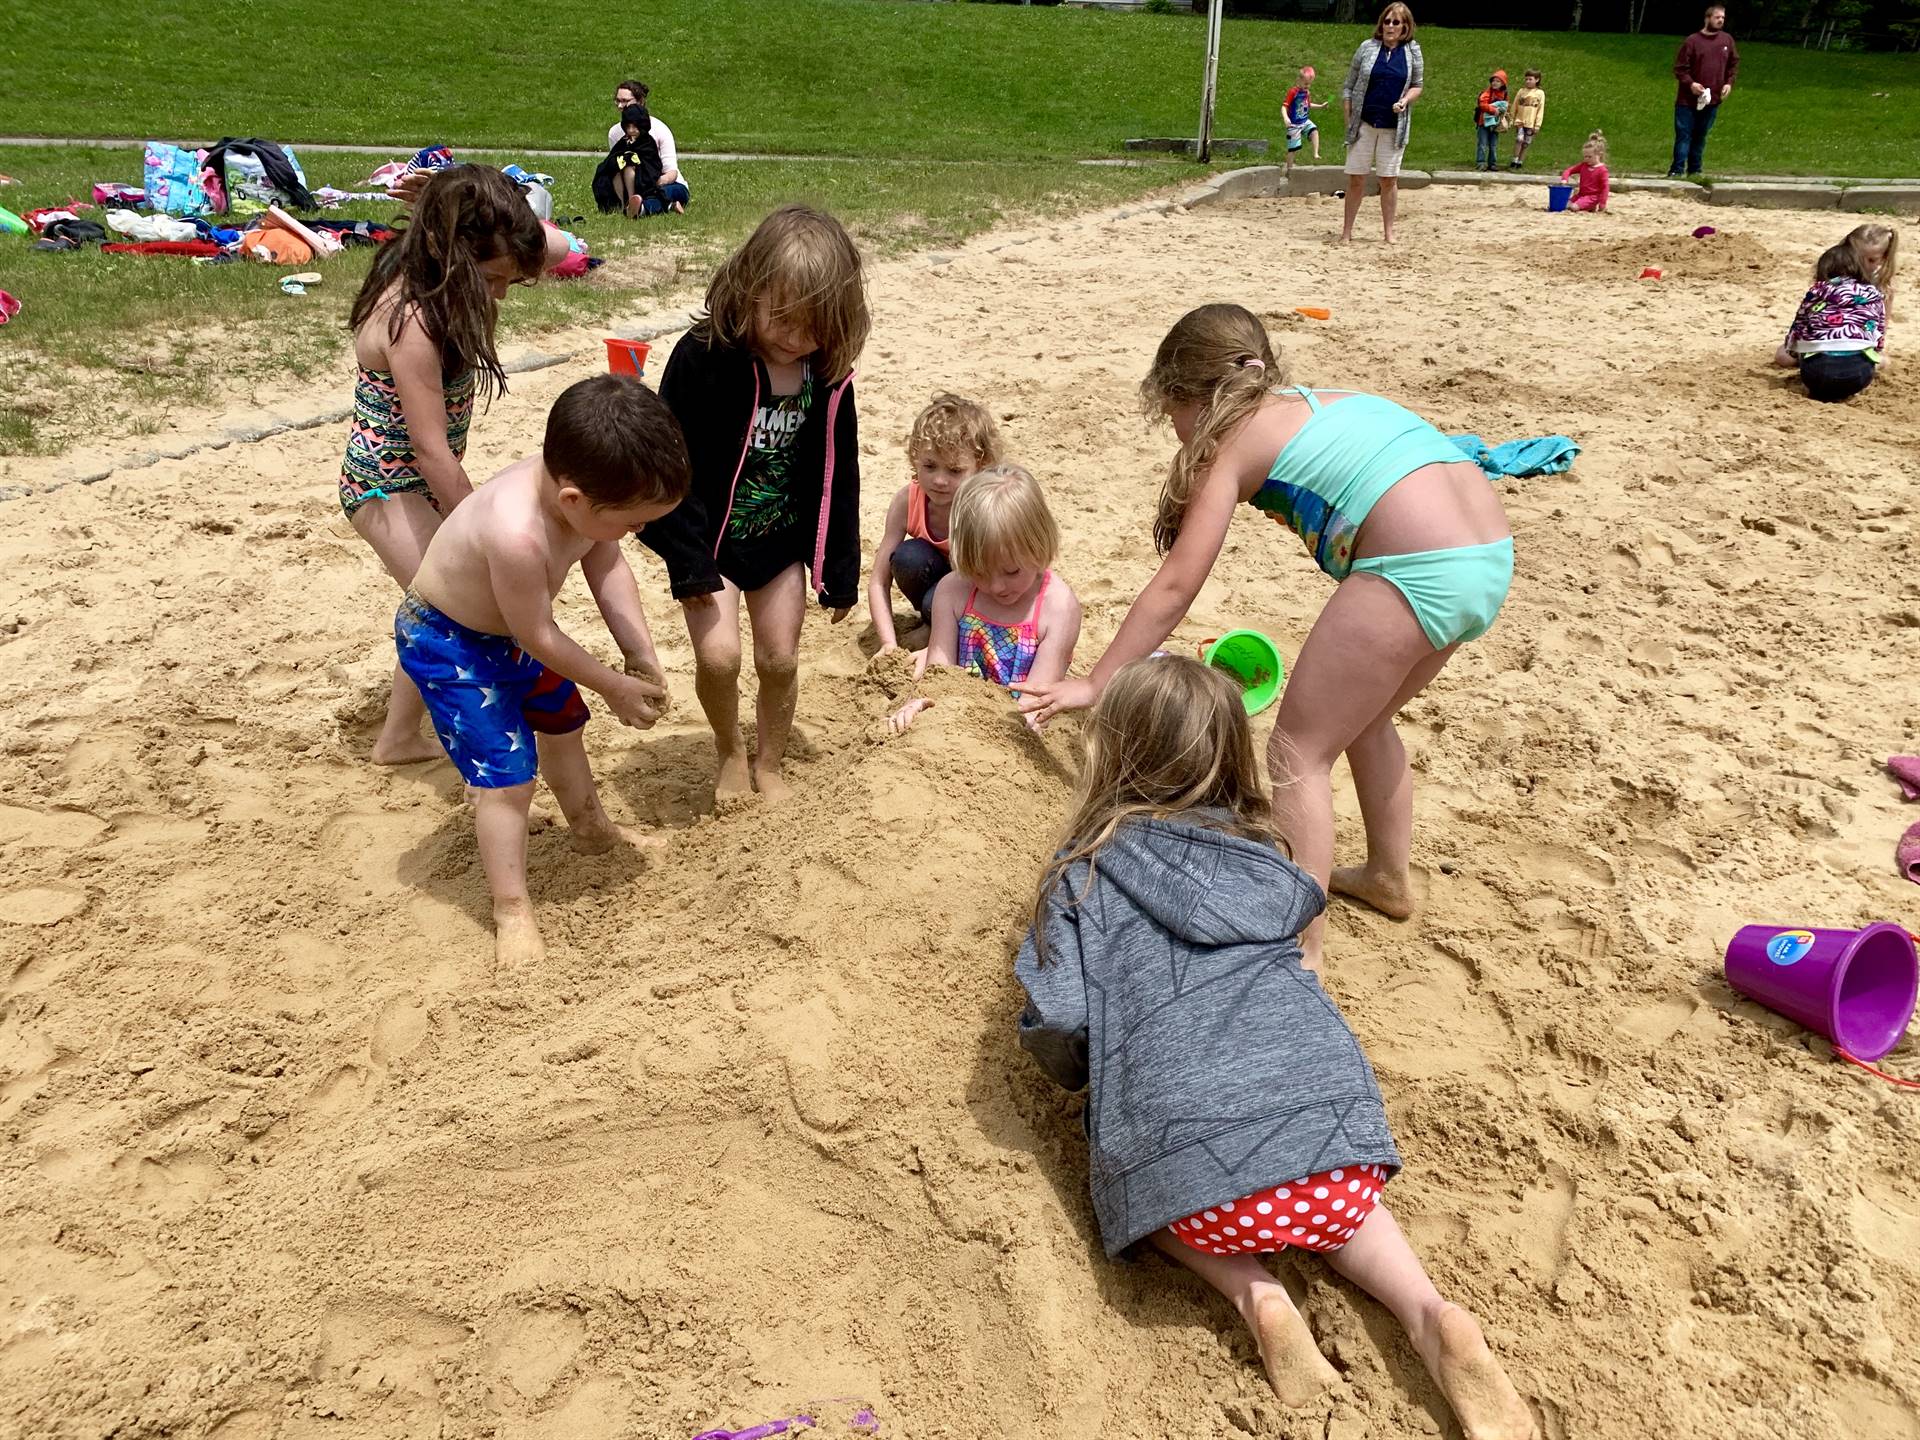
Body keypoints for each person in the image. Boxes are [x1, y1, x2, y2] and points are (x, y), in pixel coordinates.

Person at [1015, 656, 1538, 1436]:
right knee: (1348, 1211)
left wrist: (1083, 1078)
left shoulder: (1080, 875)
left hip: (1202, 1189)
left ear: (1110, 750)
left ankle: (1253, 1293)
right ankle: (1430, 1312)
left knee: (1153, 1191)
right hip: (1335, 1149)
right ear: (1230, 754)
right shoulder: (1269, 860)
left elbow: (1057, 1016)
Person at [1018, 304, 1512, 970]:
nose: (1176, 431)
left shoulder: (1231, 441)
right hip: (1485, 554)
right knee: (1366, 721)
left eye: (1171, 415)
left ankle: (1297, 952)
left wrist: (1096, 680)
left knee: (1297, 752)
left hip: (1415, 562)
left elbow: (1175, 586)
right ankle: (1389, 878)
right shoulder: (1309, 402)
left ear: (1195, 396)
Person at [394, 375, 690, 967]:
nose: (638, 534)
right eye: (633, 523)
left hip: (508, 633)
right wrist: (609, 685)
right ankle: (511, 906)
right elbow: (539, 634)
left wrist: (639, 652)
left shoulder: (579, 495)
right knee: (507, 777)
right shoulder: (516, 533)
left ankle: (590, 827)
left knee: (562, 720)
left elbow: (606, 567)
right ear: (575, 501)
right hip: (449, 643)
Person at [339, 164, 574, 767]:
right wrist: (484, 530)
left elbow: (562, 245)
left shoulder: (447, 260)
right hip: (385, 486)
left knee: (437, 601)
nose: (499, 294)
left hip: (423, 479)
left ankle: (396, 740)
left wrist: (477, 195)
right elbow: (430, 451)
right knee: (457, 609)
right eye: (493, 279)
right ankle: (466, 744)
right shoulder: (413, 320)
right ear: (454, 254)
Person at [635, 205, 869, 804]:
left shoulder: (829, 375)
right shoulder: (702, 357)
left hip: (780, 539)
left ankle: (770, 762)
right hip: (709, 539)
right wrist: (686, 561)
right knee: (718, 660)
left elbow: (840, 475)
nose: (795, 337)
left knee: (780, 659)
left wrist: (839, 572)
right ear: (749, 288)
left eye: (814, 325)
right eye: (782, 318)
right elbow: (670, 462)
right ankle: (729, 751)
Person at [888, 464, 1081, 733]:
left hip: (1019, 719)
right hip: (960, 712)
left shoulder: (1058, 606)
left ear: (1040, 548)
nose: (996, 586)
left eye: (1012, 571)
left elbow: (1035, 703)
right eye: (979, 572)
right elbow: (939, 676)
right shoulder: (954, 590)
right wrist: (919, 702)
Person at [868, 393, 1004, 653]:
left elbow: (1004, 579)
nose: (940, 480)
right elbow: (878, 581)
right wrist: (888, 643)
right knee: (908, 557)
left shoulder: (983, 507)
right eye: (930, 466)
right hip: (934, 585)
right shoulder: (908, 500)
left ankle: (943, 632)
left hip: (979, 593)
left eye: (955, 471)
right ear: (915, 458)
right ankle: (932, 622)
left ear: (980, 465)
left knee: (939, 597)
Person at [1340, 4, 1424, 244]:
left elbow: (1417, 83)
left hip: (1393, 126)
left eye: (1396, 23)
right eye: (1387, 21)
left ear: (1405, 26)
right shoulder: (1367, 48)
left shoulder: (1412, 51)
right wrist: (1348, 115)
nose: (1390, 26)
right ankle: (1347, 232)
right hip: (1364, 123)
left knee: (1389, 179)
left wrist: (1405, 100)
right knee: (1356, 177)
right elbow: (1349, 84)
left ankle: (1389, 232)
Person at [1771, 243, 1888, 402]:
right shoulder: (1873, 293)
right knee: (1880, 358)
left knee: (1783, 354)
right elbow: (1879, 334)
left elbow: (1797, 329)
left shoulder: (1816, 292)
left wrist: (1793, 355)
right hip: (1858, 377)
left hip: (1816, 376)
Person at [1670, 5, 1739, 180]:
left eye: (1723, 17)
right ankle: (1677, 170)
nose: (1721, 20)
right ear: (1707, 18)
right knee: (1684, 135)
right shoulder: (1692, 41)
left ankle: (1695, 171)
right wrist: (1691, 84)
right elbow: (1680, 69)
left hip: (1712, 99)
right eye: (1717, 17)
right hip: (1688, 100)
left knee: (1700, 136)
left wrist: (1729, 83)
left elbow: (1733, 64)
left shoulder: (1727, 41)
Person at [608, 79, 691, 214]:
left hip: (665, 183)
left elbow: (672, 173)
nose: (620, 106)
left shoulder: (660, 129)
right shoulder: (615, 133)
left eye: (625, 101)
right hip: (634, 184)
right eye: (618, 101)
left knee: (666, 193)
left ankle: (641, 208)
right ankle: (641, 204)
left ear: (640, 101)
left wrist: (651, 184)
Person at [607, 102, 667, 219]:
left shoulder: (647, 142)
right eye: (628, 127)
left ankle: (631, 200)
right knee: (614, 170)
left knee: (629, 169)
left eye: (635, 127)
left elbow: (651, 162)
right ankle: (622, 203)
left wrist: (633, 160)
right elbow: (614, 154)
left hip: (643, 176)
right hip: (623, 174)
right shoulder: (624, 140)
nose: (631, 130)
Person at [1282, 66, 1327, 173]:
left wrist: (1321, 106)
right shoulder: (1293, 92)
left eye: (1310, 84)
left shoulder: (1307, 93)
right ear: (1299, 80)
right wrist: (1286, 118)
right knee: (1293, 149)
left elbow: (1308, 104)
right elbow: (1284, 106)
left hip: (1304, 120)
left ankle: (1315, 153)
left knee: (1314, 131)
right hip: (1294, 124)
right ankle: (1289, 169)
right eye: (1306, 83)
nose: (1308, 86)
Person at [1844, 222, 1899, 306]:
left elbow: (1886, 318)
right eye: (1857, 258)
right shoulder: (1836, 274)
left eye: (1871, 260)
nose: (1863, 265)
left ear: (1884, 258)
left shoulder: (1882, 282)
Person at [1559, 131, 1610, 213]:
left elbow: (1605, 188)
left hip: (1592, 197)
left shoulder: (1602, 170)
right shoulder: (1584, 165)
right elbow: (1569, 170)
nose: (1586, 159)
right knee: (1563, 205)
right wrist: (1564, 179)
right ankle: (1587, 207)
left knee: (1573, 207)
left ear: (1599, 155)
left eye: (1589, 157)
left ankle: (1590, 206)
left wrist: (1602, 204)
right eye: (1585, 157)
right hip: (1581, 195)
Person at [1473, 70, 1508, 172]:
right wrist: (1494, 110)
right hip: (1483, 123)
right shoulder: (1487, 93)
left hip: (1495, 124)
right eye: (1493, 81)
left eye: (1498, 81)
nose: (1495, 83)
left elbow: (1505, 105)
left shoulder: (1504, 94)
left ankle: (1492, 163)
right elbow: (1482, 104)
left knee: (1493, 145)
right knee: (1482, 143)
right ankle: (1481, 162)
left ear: (1503, 83)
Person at [1508, 69, 1545, 168]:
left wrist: (1537, 125)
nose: (1527, 81)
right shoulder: (1521, 91)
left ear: (1537, 80)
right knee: (1519, 139)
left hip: (1531, 122)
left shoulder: (1540, 93)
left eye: (1530, 79)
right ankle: (1514, 159)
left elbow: (1540, 109)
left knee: (1526, 142)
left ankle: (1520, 161)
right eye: (1526, 79)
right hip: (1520, 120)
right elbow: (1515, 105)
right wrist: (1511, 118)